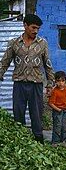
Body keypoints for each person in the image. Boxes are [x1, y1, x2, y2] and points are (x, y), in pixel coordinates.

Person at [0, 14, 55, 144]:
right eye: (33, 27)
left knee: (36, 114)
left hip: (36, 84)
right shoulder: (14, 43)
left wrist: (50, 84)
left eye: (38, 29)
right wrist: (0, 73)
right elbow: (5, 62)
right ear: (25, 26)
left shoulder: (42, 43)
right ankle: (20, 141)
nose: (35, 31)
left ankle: (38, 141)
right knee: (18, 114)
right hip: (19, 84)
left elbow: (48, 64)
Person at [48, 71, 66, 146]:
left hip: (65, 111)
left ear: (65, 81)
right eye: (58, 81)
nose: (61, 83)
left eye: (63, 81)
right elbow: (50, 103)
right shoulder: (54, 91)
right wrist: (58, 109)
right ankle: (55, 142)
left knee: (65, 126)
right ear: (55, 81)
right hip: (58, 111)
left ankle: (63, 141)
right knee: (57, 126)